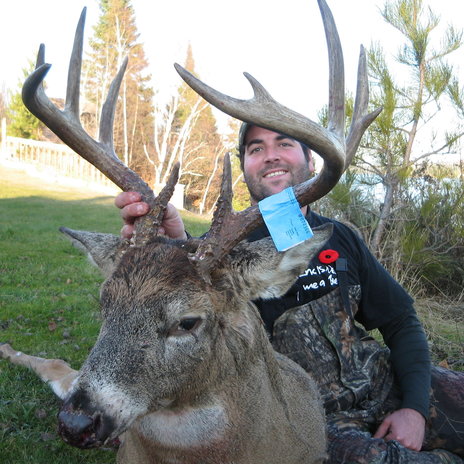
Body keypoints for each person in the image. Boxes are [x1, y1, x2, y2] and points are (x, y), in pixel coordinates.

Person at [115, 124, 464, 463]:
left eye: (284, 143)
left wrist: (414, 410)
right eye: (256, 149)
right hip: (309, 418)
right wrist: (173, 243)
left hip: (382, 382)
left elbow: (401, 321)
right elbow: (179, 309)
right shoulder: (213, 262)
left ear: (311, 161)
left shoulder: (340, 236)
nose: (270, 156)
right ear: (245, 169)